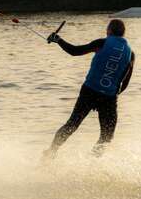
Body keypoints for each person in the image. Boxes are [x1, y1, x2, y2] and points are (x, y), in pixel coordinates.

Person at [43, 19, 135, 158]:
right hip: (109, 98)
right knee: (107, 135)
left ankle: (51, 152)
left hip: (89, 91)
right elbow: (124, 83)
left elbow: (74, 51)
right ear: (123, 33)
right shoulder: (130, 54)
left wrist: (58, 39)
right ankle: (92, 160)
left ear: (109, 31)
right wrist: (110, 95)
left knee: (72, 125)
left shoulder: (101, 43)